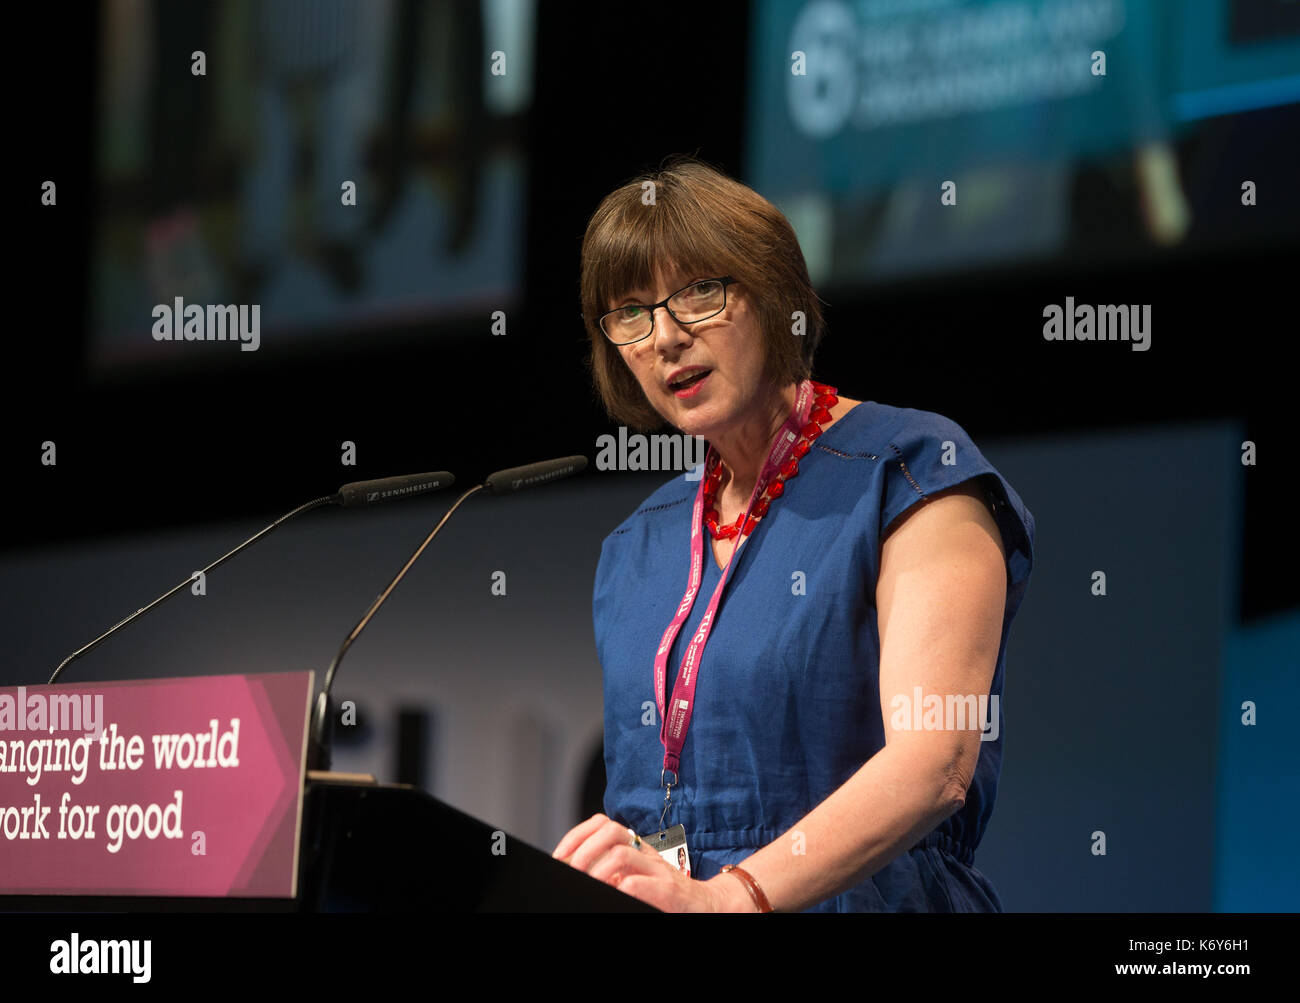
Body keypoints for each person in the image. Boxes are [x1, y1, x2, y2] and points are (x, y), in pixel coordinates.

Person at [553, 157, 1035, 912]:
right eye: (631, 314)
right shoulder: (636, 548)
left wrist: (730, 898)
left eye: (699, 293)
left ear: (775, 293)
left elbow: (934, 762)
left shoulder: (912, 473)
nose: (666, 337)